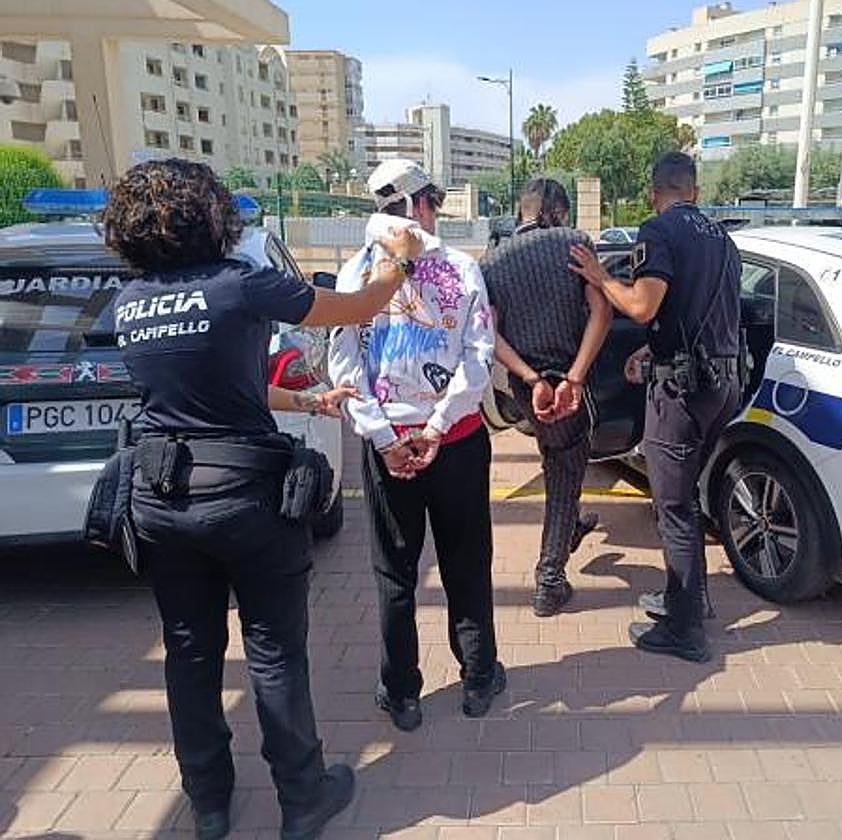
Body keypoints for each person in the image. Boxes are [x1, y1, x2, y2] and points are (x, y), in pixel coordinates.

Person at [104, 159, 423, 840]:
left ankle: (210, 804)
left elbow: (205, 391)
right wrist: (401, 261)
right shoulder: (239, 284)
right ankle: (303, 798)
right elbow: (359, 307)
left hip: (162, 496)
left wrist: (308, 399)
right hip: (247, 497)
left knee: (190, 653)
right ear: (211, 215)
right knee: (275, 653)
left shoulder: (128, 303)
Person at [328, 159, 503, 733]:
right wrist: (435, 428)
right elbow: (478, 359)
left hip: (390, 450)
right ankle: (479, 676)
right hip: (454, 442)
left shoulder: (354, 276)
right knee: (466, 562)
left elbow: (344, 368)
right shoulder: (461, 268)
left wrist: (386, 437)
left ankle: (401, 692)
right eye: (434, 198)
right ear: (422, 203)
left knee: (395, 571)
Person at [569, 152, 742, 663]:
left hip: (681, 393)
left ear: (654, 193)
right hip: (723, 385)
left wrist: (601, 276)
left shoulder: (659, 230)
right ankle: (688, 599)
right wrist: (653, 348)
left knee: (673, 509)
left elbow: (642, 306)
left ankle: (684, 632)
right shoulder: (723, 239)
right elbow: (711, 313)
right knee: (686, 498)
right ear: (695, 189)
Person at [480, 179, 613, 616]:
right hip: (569, 384)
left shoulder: (493, 260)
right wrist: (573, 379)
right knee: (565, 467)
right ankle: (549, 580)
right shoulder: (575, 244)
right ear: (557, 211)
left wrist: (530, 378)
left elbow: (490, 334)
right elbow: (602, 311)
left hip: (529, 387)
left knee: (555, 454)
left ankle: (570, 524)